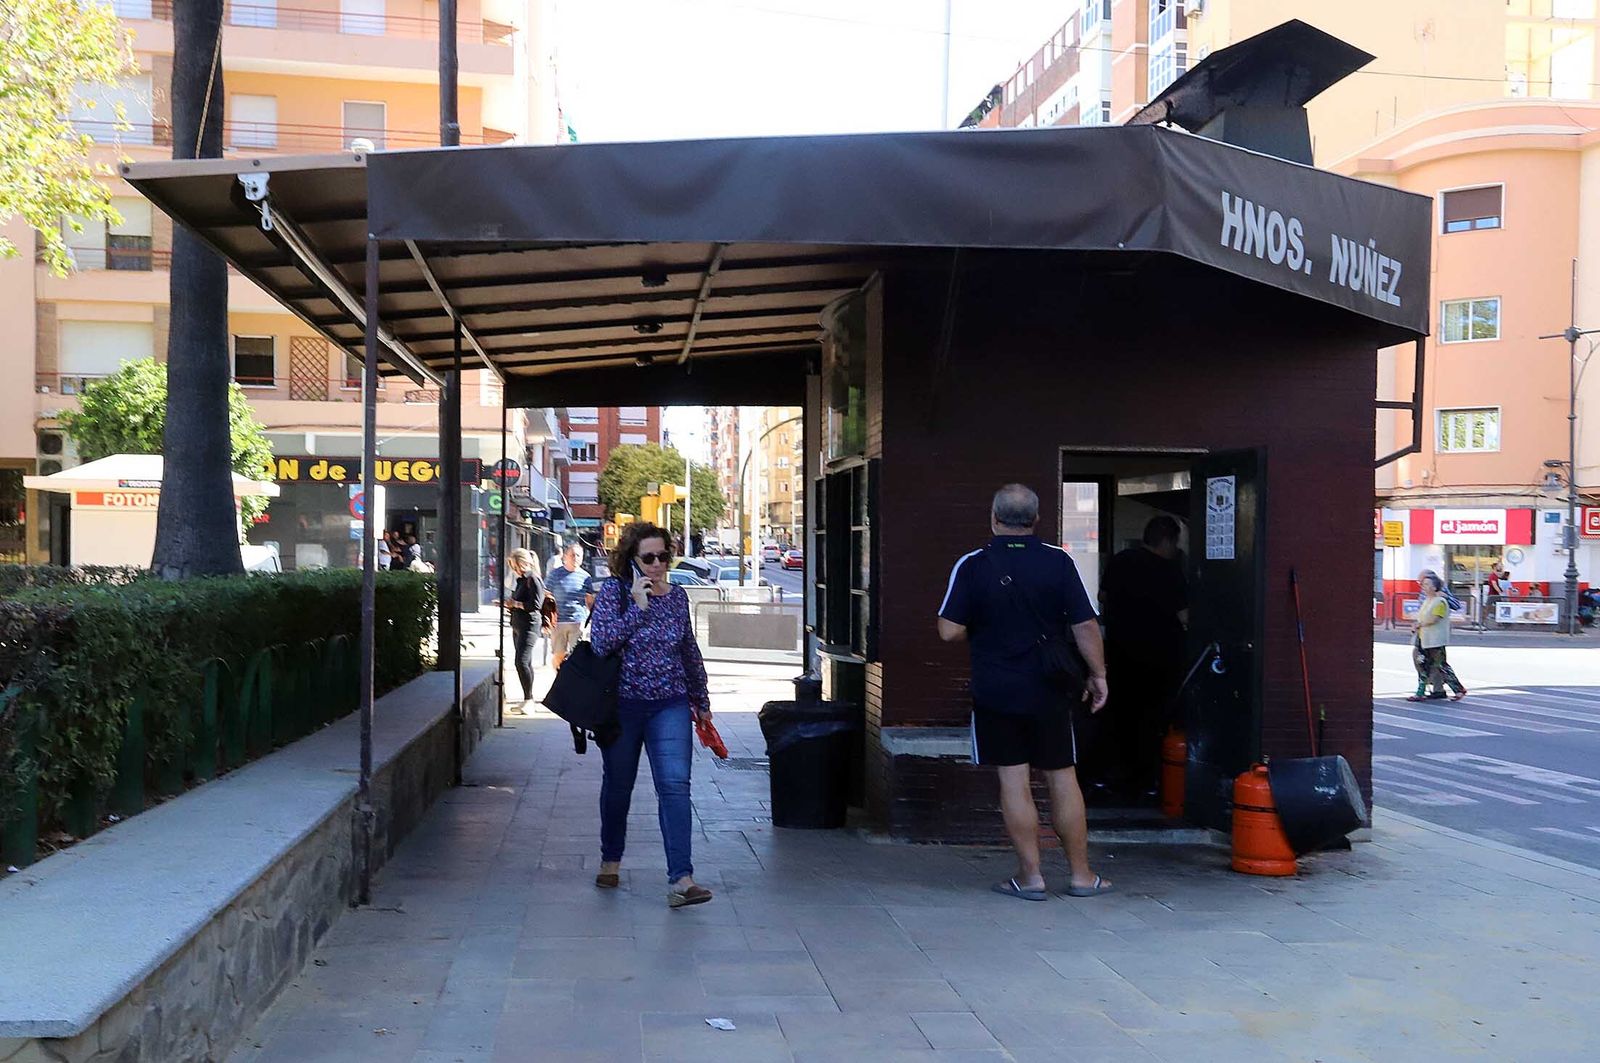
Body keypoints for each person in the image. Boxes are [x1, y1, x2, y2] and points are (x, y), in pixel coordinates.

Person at [937, 484, 1113, 901]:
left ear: (993, 518)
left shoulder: (974, 564)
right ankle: (1082, 876)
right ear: (1036, 520)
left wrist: (986, 626)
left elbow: (948, 630)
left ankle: (1031, 877)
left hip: (996, 689)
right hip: (1050, 688)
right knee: (1062, 777)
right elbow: (1085, 625)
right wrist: (1098, 674)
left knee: (1013, 781)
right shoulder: (1058, 561)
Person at [589, 523, 713, 908]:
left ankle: (682, 878)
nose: (658, 565)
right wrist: (638, 609)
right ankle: (611, 859)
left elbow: (688, 649)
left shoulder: (677, 598)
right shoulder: (614, 592)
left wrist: (701, 698)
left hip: (670, 703)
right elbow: (601, 643)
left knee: (675, 786)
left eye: (663, 557)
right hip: (623, 705)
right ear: (632, 559)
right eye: (649, 558)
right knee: (619, 785)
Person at [1096, 516, 1188, 802]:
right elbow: (1185, 616)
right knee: (1152, 720)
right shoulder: (1171, 572)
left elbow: (1101, 596)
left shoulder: (1122, 560)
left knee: (1119, 716)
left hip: (1120, 653)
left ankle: (1111, 775)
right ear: (1169, 541)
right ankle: (1147, 781)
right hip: (1159, 659)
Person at [1409, 571, 1466, 702]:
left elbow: (1434, 618)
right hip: (1423, 638)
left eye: (1426, 584)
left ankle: (1458, 689)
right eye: (1422, 584)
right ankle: (1421, 691)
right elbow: (1421, 616)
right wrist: (1416, 625)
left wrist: (1419, 624)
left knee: (1440, 665)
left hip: (1435, 640)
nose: (1423, 586)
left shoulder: (1440, 601)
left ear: (1434, 587)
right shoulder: (1426, 600)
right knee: (1422, 664)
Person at [503, 548, 549, 706]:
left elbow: (535, 604)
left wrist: (515, 603)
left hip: (529, 625)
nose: (513, 569)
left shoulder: (533, 579)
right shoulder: (521, 580)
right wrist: (509, 604)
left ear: (522, 563)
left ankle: (529, 699)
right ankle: (527, 697)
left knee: (521, 662)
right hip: (518, 624)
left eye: (514, 565)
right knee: (525, 661)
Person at [546, 542, 591, 669]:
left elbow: (589, 600)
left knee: (577, 656)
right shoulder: (554, 575)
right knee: (558, 655)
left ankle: (573, 684)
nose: (575, 558)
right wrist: (547, 618)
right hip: (558, 622)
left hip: (578, 622)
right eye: (572, 555)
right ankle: (559, 680)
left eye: (578, 555)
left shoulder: (586, 577)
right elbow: (547, 596)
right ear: (565, 556)